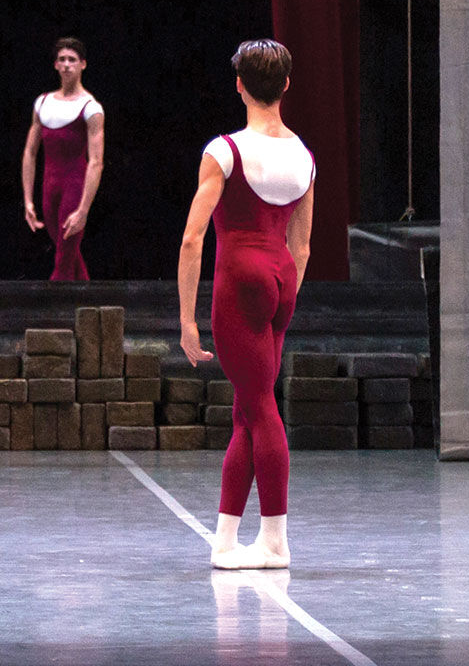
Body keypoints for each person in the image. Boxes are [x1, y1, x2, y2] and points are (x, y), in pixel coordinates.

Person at [175, 39, 313, 569]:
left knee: (260, 407)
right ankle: (227, 539)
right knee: (246, 412)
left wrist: (187, 320)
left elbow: (193, 239)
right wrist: (285, 296)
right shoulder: (303, 154)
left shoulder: (224, 151)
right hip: (281, 277)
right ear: (285, 86)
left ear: (238, 85)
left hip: (241, 277)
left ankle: (275, 539)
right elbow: (301, 245)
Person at [20, 37, 106, 281]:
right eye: (62, 60)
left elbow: (96, 161)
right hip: (50, 188)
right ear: (56, 65)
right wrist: (27, 199)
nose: (67, 64)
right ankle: (87, 306)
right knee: (67, 249)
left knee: (64, 256)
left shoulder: (91, 108)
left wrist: (83, 209)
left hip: (75, 187)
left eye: (72, 60)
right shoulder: (43, 103)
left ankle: (53, 310)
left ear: (83, 65)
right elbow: (29, 152)